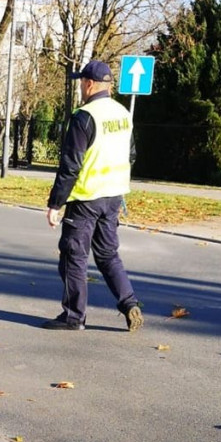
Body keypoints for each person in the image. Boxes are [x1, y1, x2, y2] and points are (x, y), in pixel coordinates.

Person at [43, 59, 143, 332]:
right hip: (113, 197)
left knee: (73, 256)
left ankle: (74, 316)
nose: (80, 87)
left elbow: (71, 165)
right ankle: (129, 303)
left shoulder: (84, 116)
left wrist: (55, 204)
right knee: (108, 255)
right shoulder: (123, 114)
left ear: (89, 84)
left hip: (86, 198)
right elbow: (131, 154)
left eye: (81, 82)